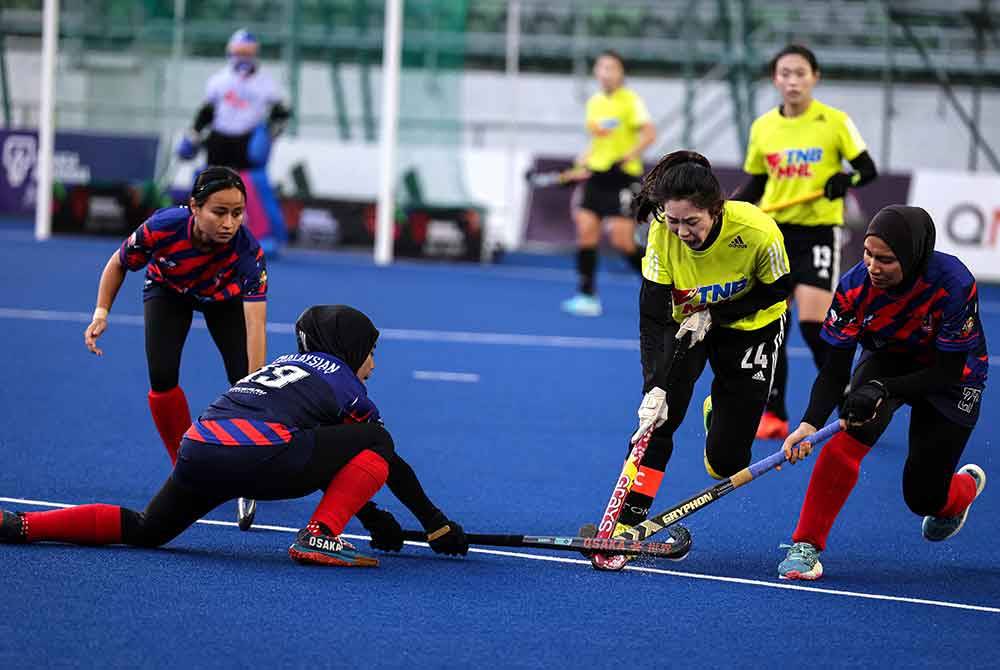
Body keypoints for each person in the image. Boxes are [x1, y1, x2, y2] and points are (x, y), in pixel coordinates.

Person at [3, 305, 469, 568]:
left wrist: (370, 518)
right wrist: (435, 524)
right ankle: (319, 535)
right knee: (376, 439)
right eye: (371, 351)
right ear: (350, 349)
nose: (373, 364)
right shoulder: (344, 380)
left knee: (146, 528)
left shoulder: (285, 367)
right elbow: (379, 456)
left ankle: (23, 525)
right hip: (261, 454)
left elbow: (324, 457)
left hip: (199, 449)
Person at [595, 150, 791, 571]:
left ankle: (717, 409)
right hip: (684, 326)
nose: (681, 231)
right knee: (659, 419)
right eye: (673, 220)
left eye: (692, 221)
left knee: (726, 462)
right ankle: (631, 520)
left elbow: (777, 291)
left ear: (715, 210)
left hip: (750, 326)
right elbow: (651, 313)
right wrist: (653, 385)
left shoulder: (757, 231)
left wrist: (716, 314)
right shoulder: (662, 233)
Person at [776, 206, 988, 581]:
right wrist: (809, 423)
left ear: (913, 256)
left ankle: (963, 489)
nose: (874, 266)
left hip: (954, 371)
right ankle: (805, 545)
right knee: (848, 437)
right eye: (868, 254)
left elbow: (946, 371)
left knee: (922, 497)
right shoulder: (855, 287)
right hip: (888, 356)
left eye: (886, 259)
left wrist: (883, 389)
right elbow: (833, 368)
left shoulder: (953, 282)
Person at [83, 166, 268, 531]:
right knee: (163, 377)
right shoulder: (162, 227)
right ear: (194, 207)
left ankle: (248, 477)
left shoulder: (248, 251)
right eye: (219, 212)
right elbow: (118, 264)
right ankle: (187, 467)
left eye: (237, 213)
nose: (230, 222)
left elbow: (256, 324)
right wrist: (101, 312)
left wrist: (254, 384)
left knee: (243, 382)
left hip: (223, 301)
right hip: (170, 292)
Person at [732, 44, 878, 439]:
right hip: (775, 231)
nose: (792, 81)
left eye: (800, 73)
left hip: (818, 232)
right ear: (775, 79)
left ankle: (846, 393)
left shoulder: (833, 122)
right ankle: (775, 411)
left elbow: (868, 170)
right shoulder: (763, 127)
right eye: (785, 73)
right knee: (773, 324)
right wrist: (726, 210)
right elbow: (759, 183)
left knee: (815, 325)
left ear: (815, 77)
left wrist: (844, 180)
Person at [176, 28, 291, 255]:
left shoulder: (266, 84)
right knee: (208, 185)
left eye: (247, 52)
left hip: (248, 140)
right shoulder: (219, 81)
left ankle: (265, 236)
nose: (243, 57)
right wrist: (194, 135)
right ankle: (197, 232)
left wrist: (270, 134)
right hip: (220, 138)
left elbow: (282, 113)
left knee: (254, 187)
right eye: (238, 52)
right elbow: (206, 114)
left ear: (255, 54)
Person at [561, 50, 656, 317]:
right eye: (602, 67)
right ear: (596, 72)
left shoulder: (631, 101)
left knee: (622, 241)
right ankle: (587, 295)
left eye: (612, 68)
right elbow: (596, 143)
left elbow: (650, 134)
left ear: (621, 73)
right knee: (586, 229)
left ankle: (659, 287)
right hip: (597, 177)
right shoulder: (594, 103)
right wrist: (578, 166)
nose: (606, 73)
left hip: (623, 178)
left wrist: (626, 156)